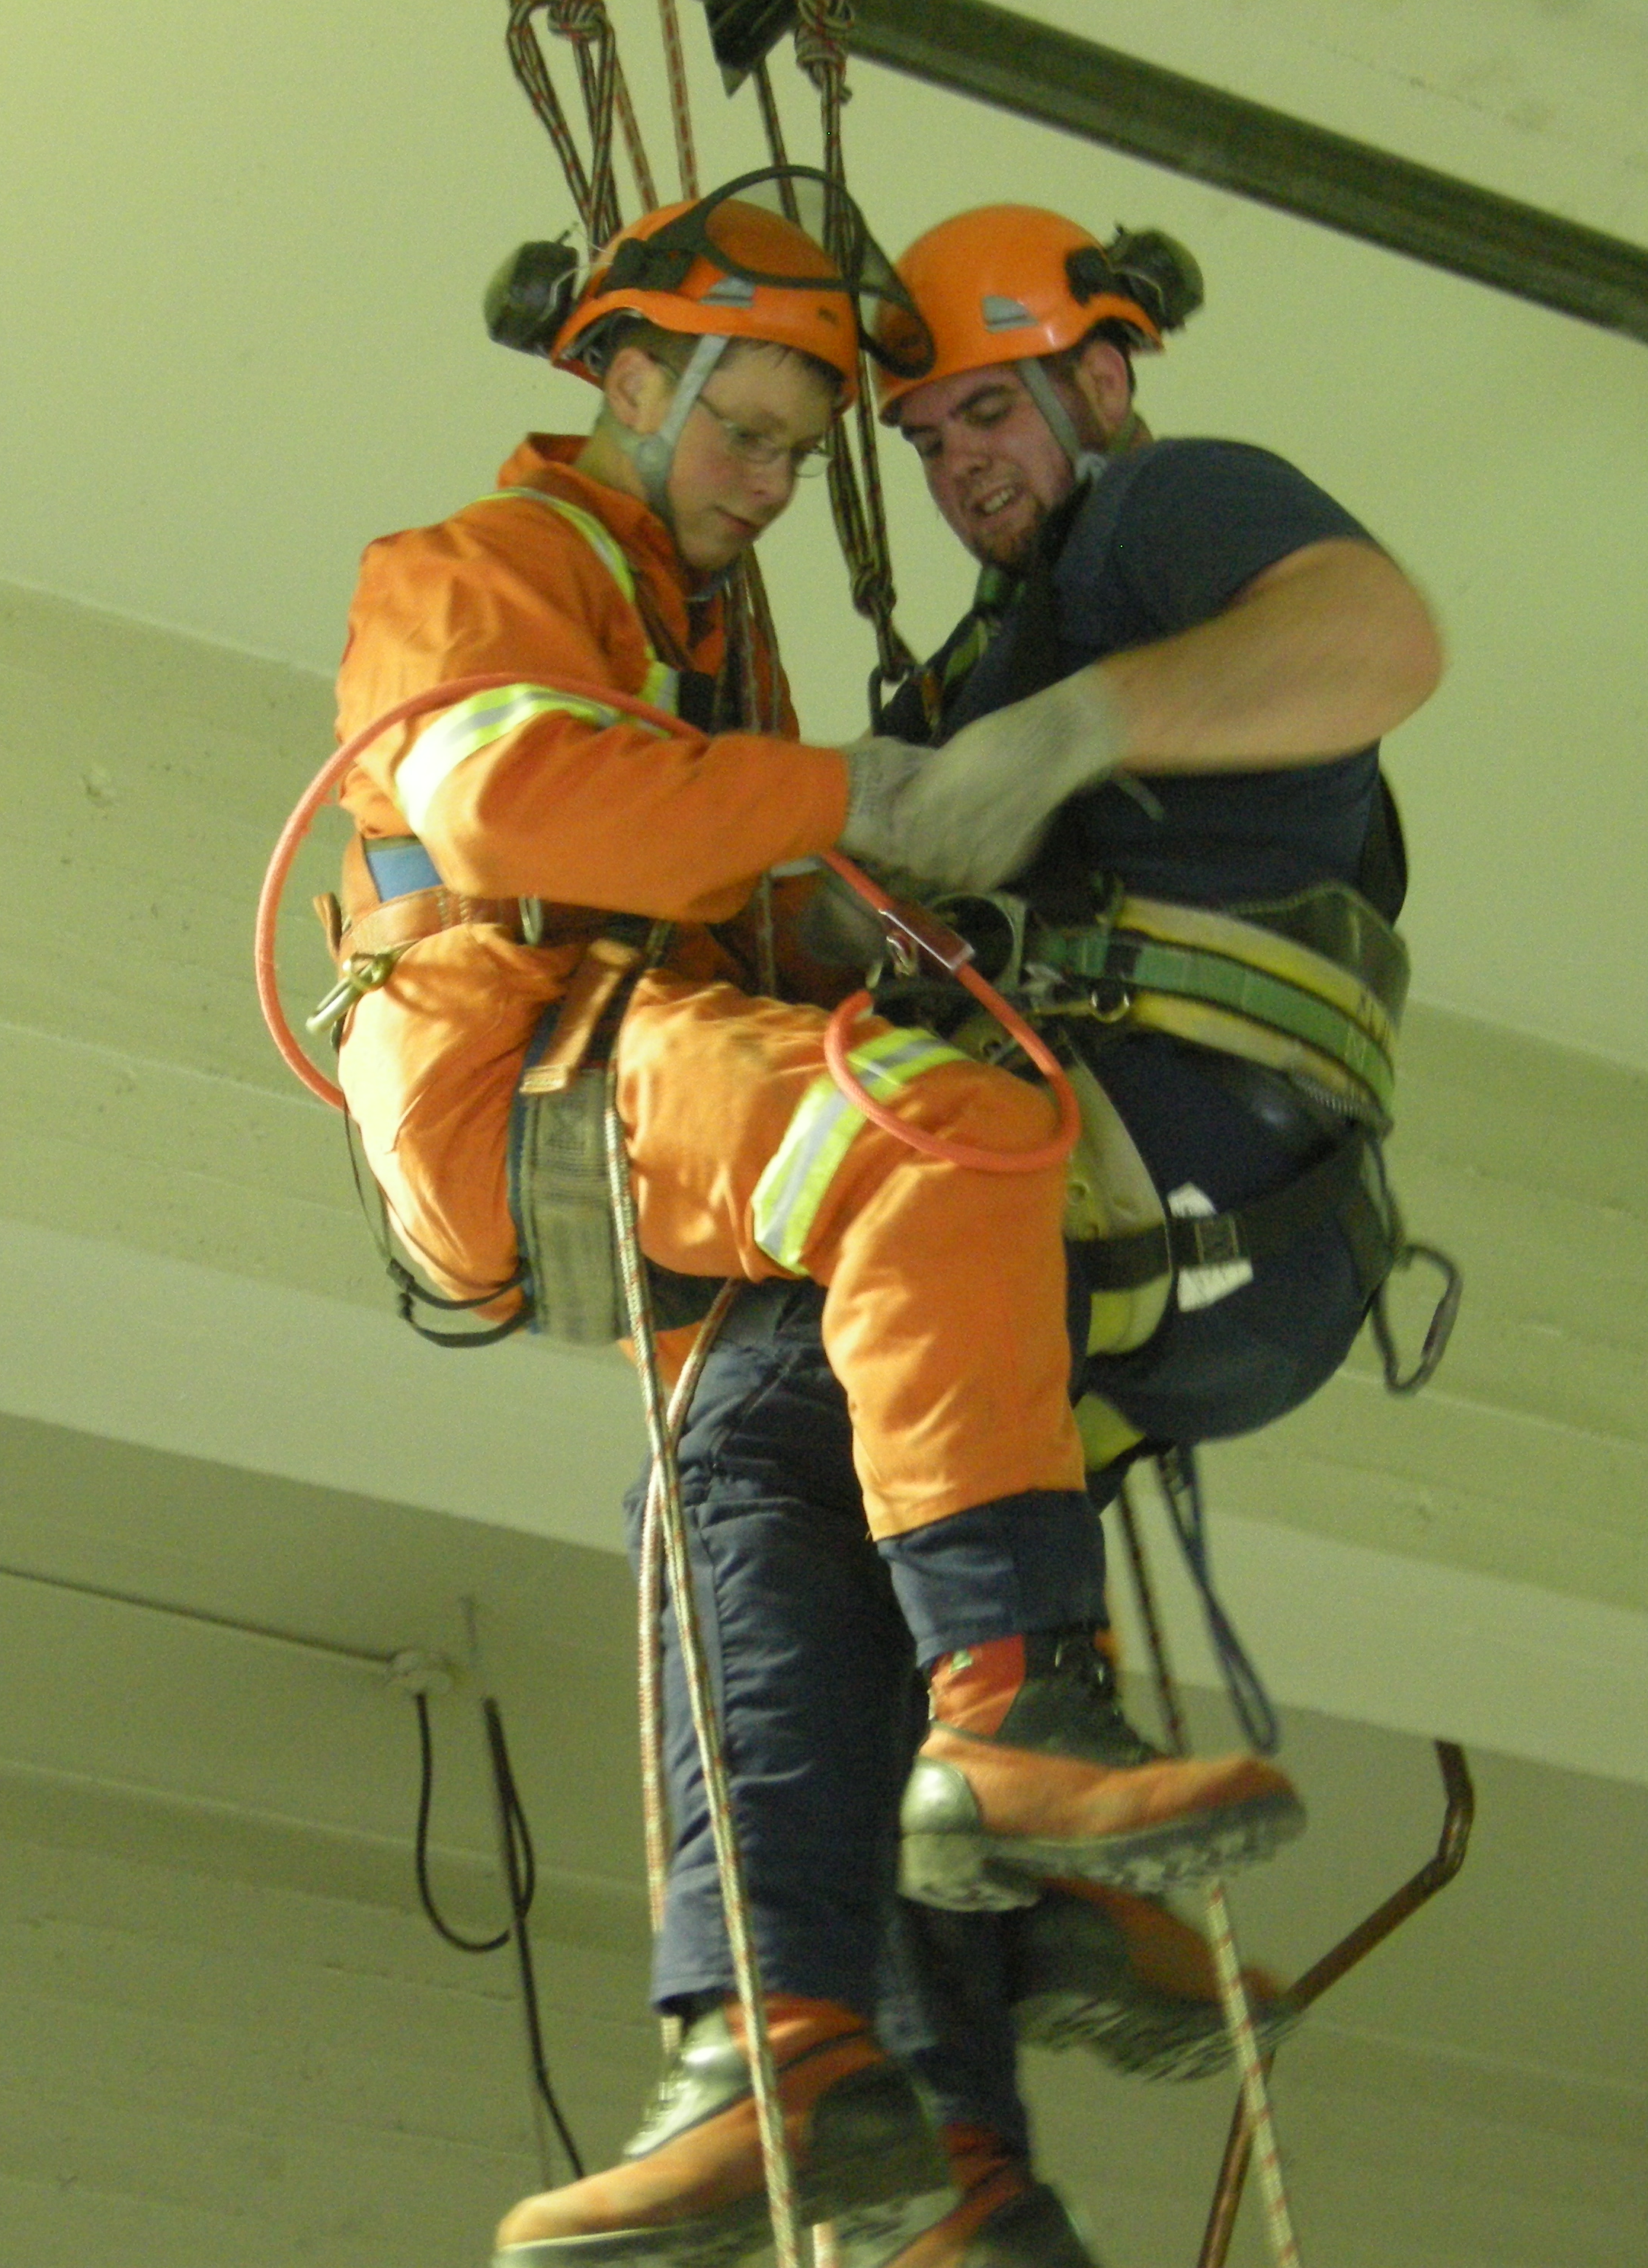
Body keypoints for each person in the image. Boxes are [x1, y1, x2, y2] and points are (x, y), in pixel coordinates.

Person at [320, 172, 1301, 2268]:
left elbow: (724, 877)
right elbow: (511, 806)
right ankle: (1020, 1723)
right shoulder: (479, 565)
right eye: (746, 432)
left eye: (803, 448)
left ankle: (857, 2102)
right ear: (626, 375)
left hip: (641, 1087)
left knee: (791, 1512)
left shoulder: (701, 635)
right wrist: (856, 795)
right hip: (539, 1080)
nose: (775, 484)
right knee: (942, 1136)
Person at [651, 204, 1448, 2264]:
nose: (960, 465)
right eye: (920, 439)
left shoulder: (1167, 518)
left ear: (1103, 375)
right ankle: (968, 2170)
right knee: (875, 1574)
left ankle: (794, 2029)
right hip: (1181, 1231)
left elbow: (1382, 644)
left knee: (753, 1409)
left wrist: (1063, 735)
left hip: (1189, 1167)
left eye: (989, 409)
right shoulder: (1015, 632)